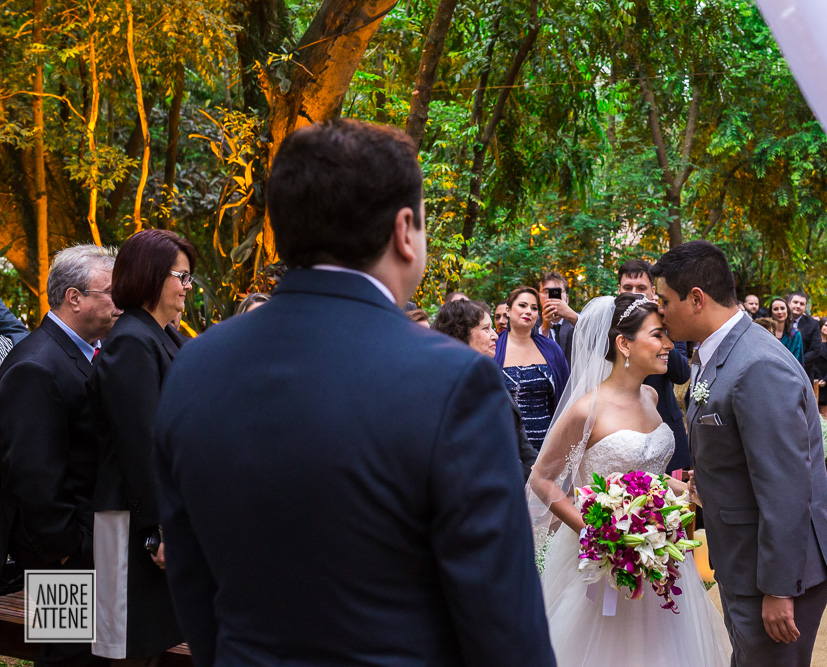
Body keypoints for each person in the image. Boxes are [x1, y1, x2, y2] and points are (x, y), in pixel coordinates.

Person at [154, 119, 554, 666]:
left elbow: (193, 583)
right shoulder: (451, 382)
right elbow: (503, 624)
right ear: (403, 230)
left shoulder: (195, 366)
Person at [652, 240, 827, 667]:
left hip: (778, 571)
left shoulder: (757, 365)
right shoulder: (720, 351)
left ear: (696, 299)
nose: (659, 311)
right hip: (745, 556)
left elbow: (784, 484)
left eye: (664, 300)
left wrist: (780, 590)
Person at [528, 293, 731, 666]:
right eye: (658, 335)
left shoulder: (652, 396)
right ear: (624, 343)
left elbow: (645, 475)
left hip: (659, 554)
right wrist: (596, 532)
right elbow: (541, 479)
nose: (669, 345)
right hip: (600, 563)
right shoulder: (586, 410)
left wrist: (685, 490)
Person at [0, 244, 119, 667]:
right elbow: (34, 477)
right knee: (66, 660)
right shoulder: (37, 364)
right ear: (75, 298)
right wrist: (70, 552)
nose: (119, 303)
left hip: (83, 552)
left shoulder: (83, 353)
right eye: (111, 292)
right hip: (59, 562)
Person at [88, 229, 191, 661]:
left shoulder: (162, 334)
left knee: (153, 641)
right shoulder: (132, 339)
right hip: (135, 519)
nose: (187, 287)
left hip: (153, 512)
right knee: (129, 645)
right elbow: (141, 439)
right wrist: (160, 525)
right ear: (152, 276)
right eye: (181, 277)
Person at [435, 299, 536, 480]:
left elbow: (519, 436)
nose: (495, 335)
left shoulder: (489, 374)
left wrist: (538, 469)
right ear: (461, 333)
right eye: (486, 328)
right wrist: (533, 476)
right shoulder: (451, 387)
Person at [617, 258, 692, 472]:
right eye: (628, 288)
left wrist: (659, 331)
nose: (634, 293)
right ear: (619, 290)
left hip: (664, 422)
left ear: (652, 291)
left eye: (641, 288)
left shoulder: (667, 320)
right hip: (623, 426)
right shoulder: (610, 325)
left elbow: (681, 374)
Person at [495, 286, 569, 452]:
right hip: (506, 445)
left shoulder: (551, 349)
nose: (528, 311)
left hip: (547, 444)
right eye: (522, 305)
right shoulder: (494, 348)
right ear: (508, 310)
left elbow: (565, 395)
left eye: (534, 308)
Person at [538, 271, 577, 366]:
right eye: (546, 292)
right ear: (539, 297)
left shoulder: (579, 320)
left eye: (557, 291)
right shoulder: (531, 325)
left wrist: (573, 317)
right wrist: (544, 330)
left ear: (567, 298)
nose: (551, 296)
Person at [770, 297, 804, 364]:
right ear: (771, 312)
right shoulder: (766, 333)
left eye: (782, 308)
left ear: (787, 311)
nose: (779, 312)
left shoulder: (795, 335)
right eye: (775, 309)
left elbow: (798, 360)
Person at [788, 292, 820, 360]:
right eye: (795, 302)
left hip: (802, 366)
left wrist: (797, 362)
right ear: (789, 304)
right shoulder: (780, 320)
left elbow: (815, 350)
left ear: (805, 308)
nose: (798, 306)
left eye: (802, 304)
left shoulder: (813, 324)